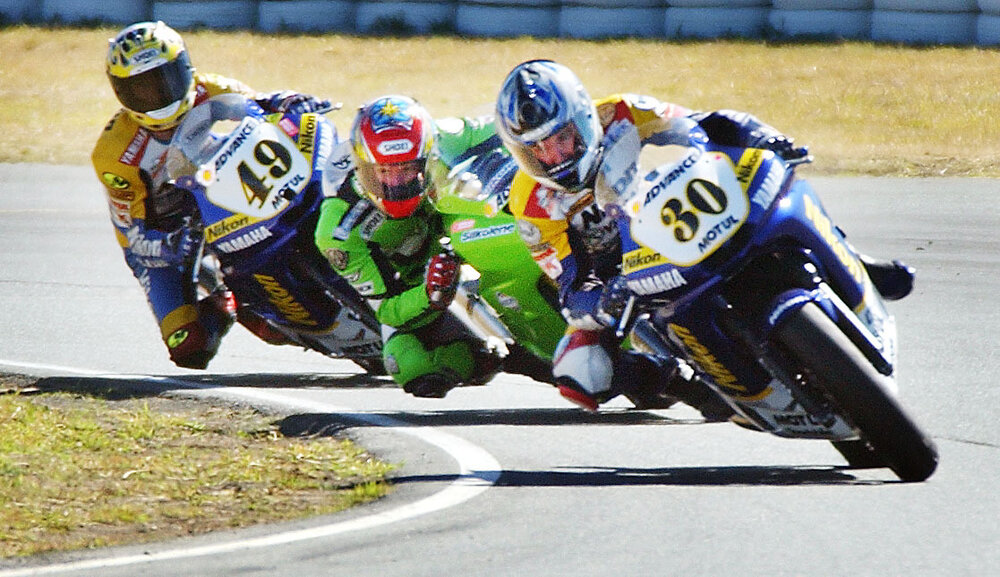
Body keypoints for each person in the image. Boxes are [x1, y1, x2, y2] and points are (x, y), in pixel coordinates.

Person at [494, 59, 915, 414]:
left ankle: (856, 262)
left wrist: (763, 138)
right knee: (580, 370)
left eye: (562, 138)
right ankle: (685, 383)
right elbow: (568, 285)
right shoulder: (528, 202)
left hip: (691, 212)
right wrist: (603, 299)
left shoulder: (626, 111)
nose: (554, 157)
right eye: (538, 150)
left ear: (583, 118)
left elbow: (711, 126)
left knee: (783, 186)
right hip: (630, 273)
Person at [92, 21, 332, 369]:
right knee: (189, 348)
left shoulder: (214, 89)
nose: (155, 96)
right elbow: (133, 235)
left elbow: (263, 117)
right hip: (165, 238)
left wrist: (287, 102)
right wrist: (169, 244)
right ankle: (225, 303)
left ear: (185, 68)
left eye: (164, 79)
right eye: (140, 89)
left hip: (223, 198)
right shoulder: (113, 153)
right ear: (120, 92)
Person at [314, 95, 508, 398]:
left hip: (463, 240)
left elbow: (514, 126)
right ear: (362, 166)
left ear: (427, 155)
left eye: (406, 169)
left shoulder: (445, 137)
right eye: (383, 171)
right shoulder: (338, 230)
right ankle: (482, 352)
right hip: (414, 289)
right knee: (412, 367)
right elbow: (387, 312)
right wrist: (429, 292)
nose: (396, 183)